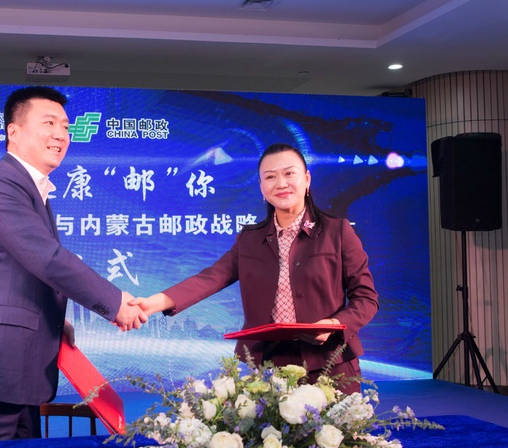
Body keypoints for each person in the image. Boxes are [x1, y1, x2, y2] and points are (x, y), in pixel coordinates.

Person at [0, 86, 147, 442]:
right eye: (49, 123)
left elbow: (17, 274)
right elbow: (47, 258)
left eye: (66, 127)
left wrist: (53, 322)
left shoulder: (31, 189)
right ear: (14, 131)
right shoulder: (0, 180)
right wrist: (115, 302)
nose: (61, 134)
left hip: (11, 374)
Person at [132, 143, 377, 394]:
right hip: (269, 370)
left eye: (289, 173)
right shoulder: (250, 239)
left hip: (331, 365)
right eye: (270, 177)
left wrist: (334, 324)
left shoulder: (337, 232)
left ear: (306, 179)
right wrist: (154, 303)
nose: (281, 183)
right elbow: (212, 278)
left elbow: (366, 298)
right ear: (261, 187)